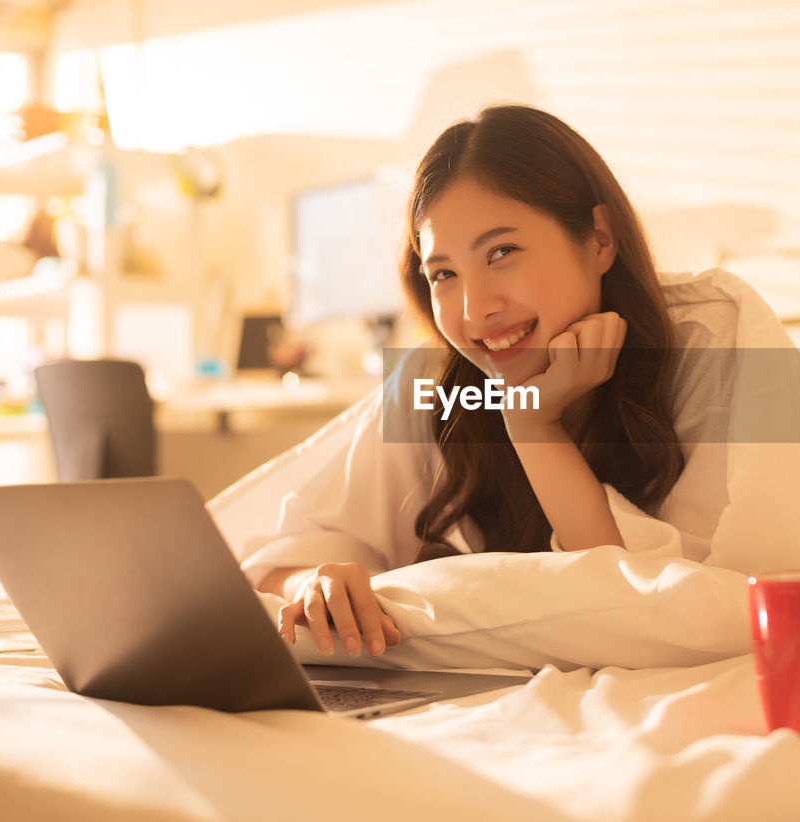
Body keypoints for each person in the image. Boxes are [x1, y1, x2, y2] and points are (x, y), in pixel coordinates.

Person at [246, 104, 743, 660]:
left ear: (599, 238)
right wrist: (313, 583)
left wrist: (532, 421)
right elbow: (279, 560)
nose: (475, 308)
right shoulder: (441, 384)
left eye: (502, 252)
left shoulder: (707, 345)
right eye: (444, 274)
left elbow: (651, 612)